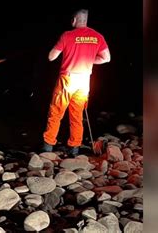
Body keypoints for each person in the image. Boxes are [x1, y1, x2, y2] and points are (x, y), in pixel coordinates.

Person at [42, 9, 111, 156]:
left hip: (68, 79)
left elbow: (51, 57)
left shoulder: (67, 35)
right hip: (84, 80)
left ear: (74, 20)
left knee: (56, 112)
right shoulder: (97, 36)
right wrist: (88, 59)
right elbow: (106, 58)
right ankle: (74, 148)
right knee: (77, 115)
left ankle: (48, 146)